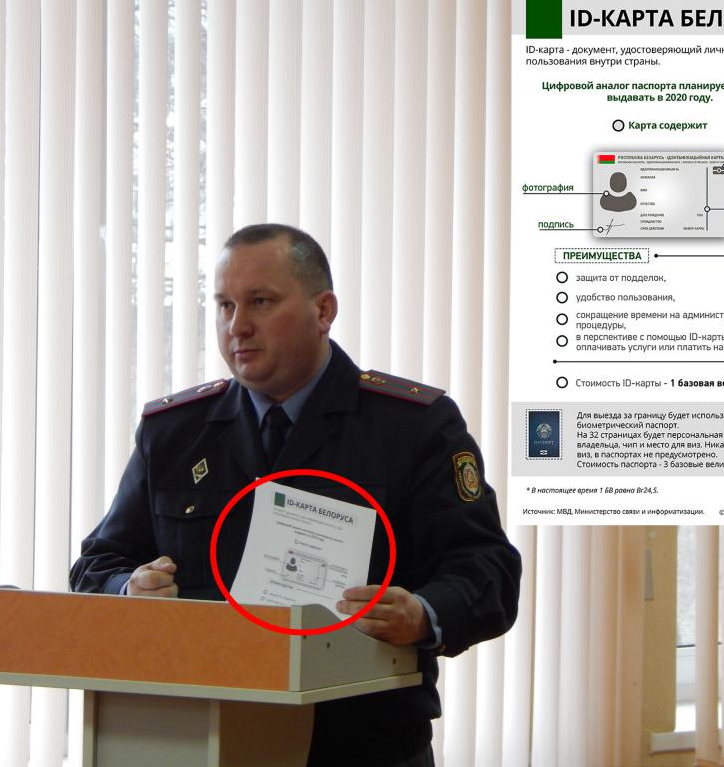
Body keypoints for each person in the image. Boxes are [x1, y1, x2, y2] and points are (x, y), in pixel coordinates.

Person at [70, 223, 521, 766]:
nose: (237, 325)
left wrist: (423, 614)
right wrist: (129, 590)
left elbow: (488, 570)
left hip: (362, 744)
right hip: (199, 736)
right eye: (224, 305)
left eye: (260, 302)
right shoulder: (174, 431)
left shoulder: (411, 426)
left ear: (323, 310)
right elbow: (97, 564)